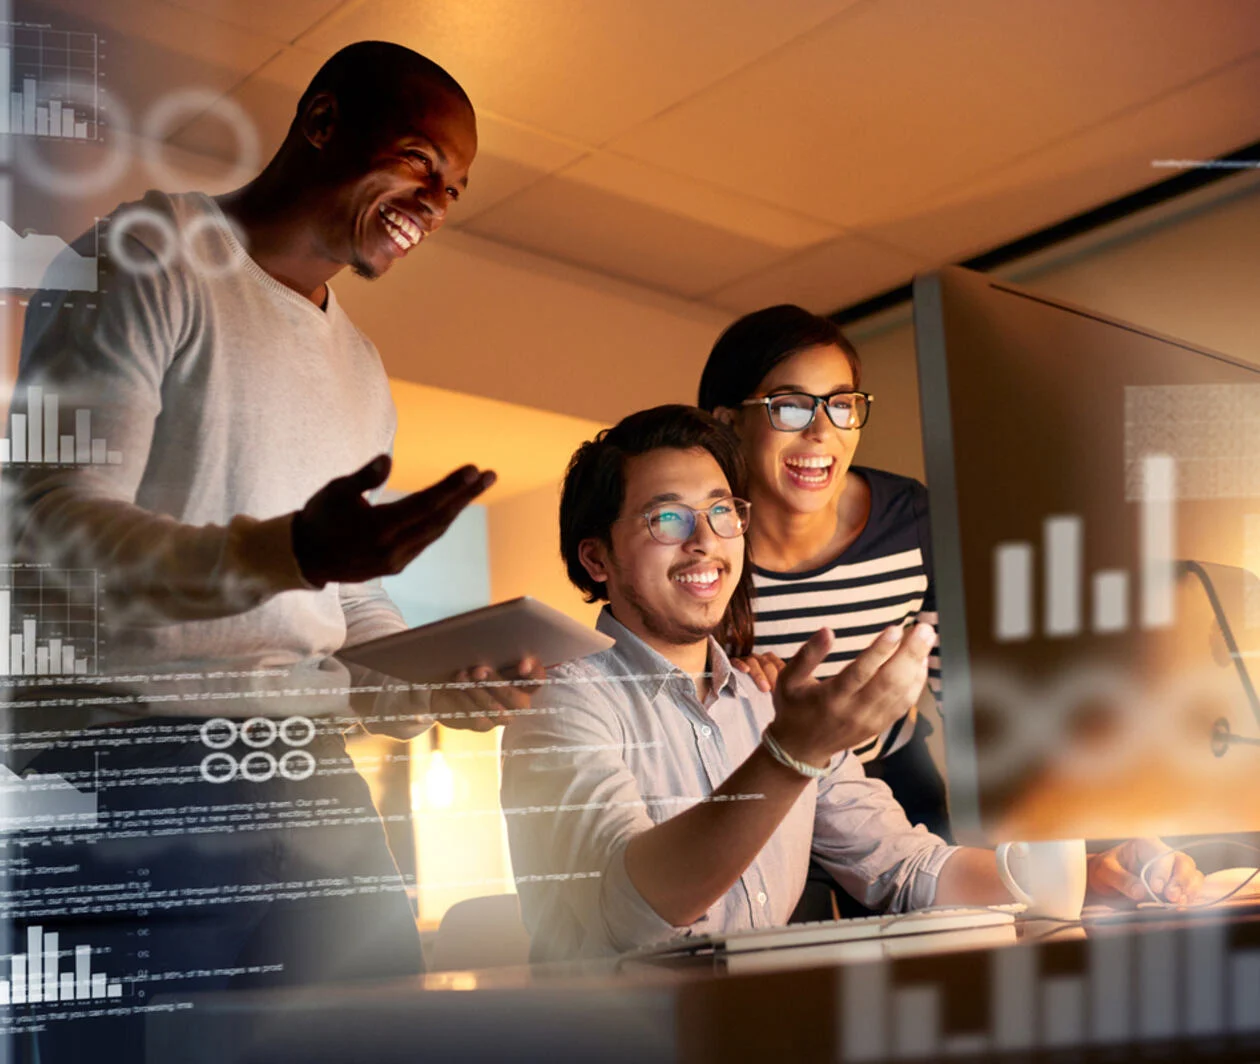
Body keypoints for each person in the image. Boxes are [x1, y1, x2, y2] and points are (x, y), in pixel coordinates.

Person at [2, 41, 537, 1060]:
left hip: (302, 768)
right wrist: (291, 550)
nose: (437, 198)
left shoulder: (362, 366)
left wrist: (436, 681)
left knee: (386, 1034)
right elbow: (51, 523)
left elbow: (334, 610)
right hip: (123, 758)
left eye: (456, 188)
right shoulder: (144, 252)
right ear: (324, 121)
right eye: (421, 157)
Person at [499, 405, 1202, 962]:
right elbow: (633, 913)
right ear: (597, 558)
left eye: (721, 512)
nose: (706, 540)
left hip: (755, 1029)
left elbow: (905, 868)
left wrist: (1065, 862)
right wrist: (789, 756)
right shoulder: (561, 702)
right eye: (667, 518)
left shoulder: (769, 702)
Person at [698, 304, 948, 917]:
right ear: (728, 424)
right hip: (761, 798)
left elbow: (982, 696)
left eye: (841, 404)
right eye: (789, 406)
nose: (821, 433)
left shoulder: (913, 520)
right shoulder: (704, 551)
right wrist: (730, 683)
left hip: (896, 785)